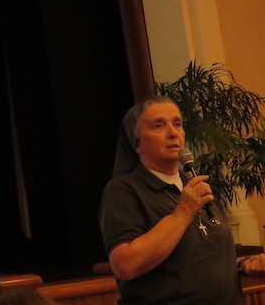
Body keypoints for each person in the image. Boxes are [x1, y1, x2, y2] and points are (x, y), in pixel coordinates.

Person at [99, 95, 265, 305]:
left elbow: (197, 260)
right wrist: (183, 212)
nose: (173, 133)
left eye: (177, 124)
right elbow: (125, 265)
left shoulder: (194, 186)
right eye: (158, 126)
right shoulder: (124, 190)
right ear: (137, 143)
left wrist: (243, 266)